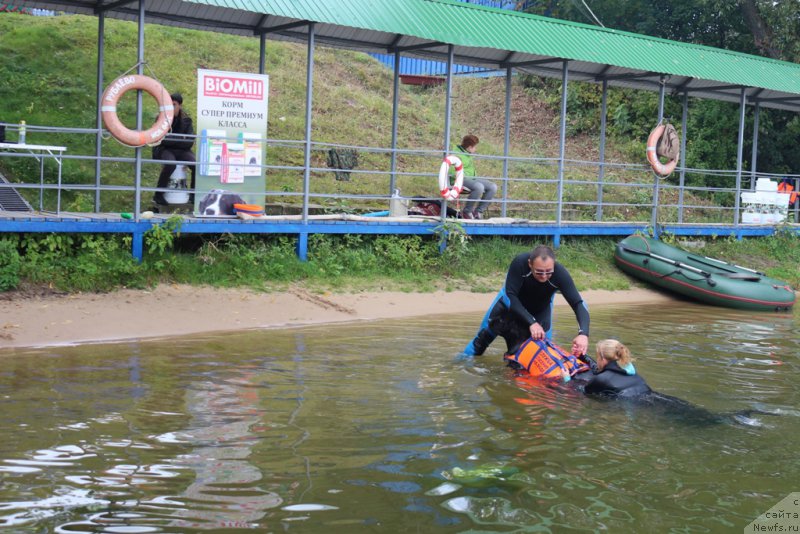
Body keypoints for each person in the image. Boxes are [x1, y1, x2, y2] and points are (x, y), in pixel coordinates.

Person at [463, 244, 590, 358]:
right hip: (507, 309)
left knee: (541, 356)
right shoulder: (520, 263)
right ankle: (460, 365)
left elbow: (578, 303)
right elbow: (510, 296)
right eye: (539, 272)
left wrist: (583, 334)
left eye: (549, 272)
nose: (544, 276)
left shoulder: (560, 274)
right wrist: (532, 323)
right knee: (478, 345)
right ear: (530, 264)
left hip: (539, 313)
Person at [153, 92, 195, 205]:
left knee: (196, 164)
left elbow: (189, 142)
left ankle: (193, 195)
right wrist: (180, 139)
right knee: (170, 164)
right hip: (164, 149)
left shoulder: (187, 121)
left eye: (174, 104)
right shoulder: (161, 118)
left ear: (180, 105)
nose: (171, 107)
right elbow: (160, 139)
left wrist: (170, 140)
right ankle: (158, 195)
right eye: (169, 104)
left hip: (181, 150)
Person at [576, 339, 650, 397]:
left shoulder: (601, 379)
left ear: (603, 360)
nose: (597, 359)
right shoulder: (629, 371)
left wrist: (566, 378)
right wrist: (583, 356)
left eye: (597, 356)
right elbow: (600, 369)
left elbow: (582, 392)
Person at [453, 134, 496, 220]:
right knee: (479, 186)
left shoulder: (467, 154)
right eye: (474, 147)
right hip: (459, 179)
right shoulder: (456, 154)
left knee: (492, 186)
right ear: (469, 147)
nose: (475, 149)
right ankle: (467, 211)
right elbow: (452, 171)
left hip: (471, 178)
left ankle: (478, 212)